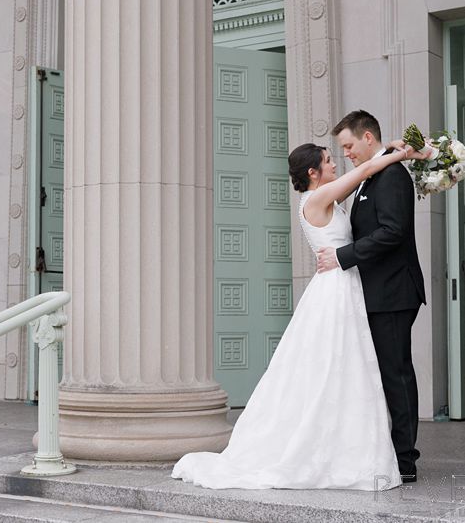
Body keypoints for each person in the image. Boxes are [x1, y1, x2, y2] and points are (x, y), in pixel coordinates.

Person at [170, 138, 429, 490]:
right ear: (313, 172)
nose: (336, 163)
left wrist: (393, 148)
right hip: (335, 291)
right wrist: (407, 155)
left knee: (349, 369)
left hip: (346, 286)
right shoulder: (318, 198)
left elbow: (367, 175)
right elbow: (366, 170)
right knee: (334, 368)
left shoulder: (328, 197)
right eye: (328, 160)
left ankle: (348, 445)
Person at [316, 110, 427, 483]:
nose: (345, 152)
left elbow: (393, 231)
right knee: (387, 374)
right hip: (378, 292)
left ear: (367, 138)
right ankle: (394, 452)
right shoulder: (375, 173)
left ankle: (405, 460)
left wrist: (342, 257)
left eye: (348, 145)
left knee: (396, 375)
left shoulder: (391, 175)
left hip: (394, 292)